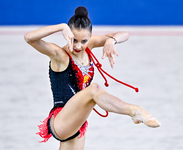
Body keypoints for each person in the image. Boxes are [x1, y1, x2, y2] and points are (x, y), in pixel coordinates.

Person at [24, 6, 160, 150]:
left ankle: (133, 112)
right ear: (67, 35)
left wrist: (111, 41)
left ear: (90, 37)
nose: (78, 46)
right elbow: (29, 38)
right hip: (61, 121)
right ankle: (134, 111)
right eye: (74, 40)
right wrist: (61, 27)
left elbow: (124, 34)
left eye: (83, 41)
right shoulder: (60, 55)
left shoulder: (90, 45)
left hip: (77, 123)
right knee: (93, 89)